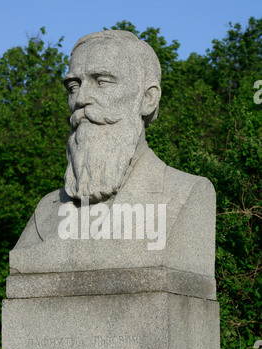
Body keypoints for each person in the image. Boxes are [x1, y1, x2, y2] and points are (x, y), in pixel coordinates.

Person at [11, 30, 216, 278]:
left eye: (102, 82)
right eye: (74, 86)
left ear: (148, 99)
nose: (81, 99)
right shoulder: (45, 210)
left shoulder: (186, 193)